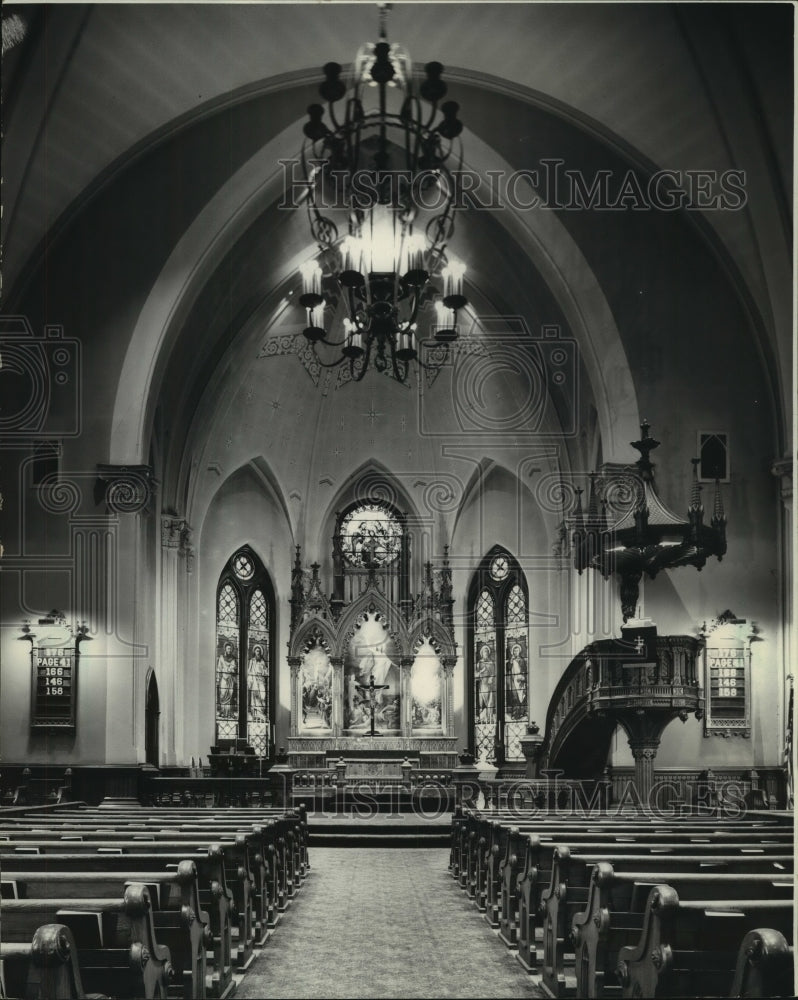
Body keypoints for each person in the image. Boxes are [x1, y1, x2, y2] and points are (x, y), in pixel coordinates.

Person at [216, 640, 238, 719]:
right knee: (223, 694)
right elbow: (219, 668)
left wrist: (231, 669)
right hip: (223, 679)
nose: (229, 650)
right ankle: (223, 712)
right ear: (225, 649)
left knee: (230, 695)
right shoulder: (221, 658)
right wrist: (218, 678)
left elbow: (234, 668)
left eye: (230, 649)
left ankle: (229, 713)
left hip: (230, 679)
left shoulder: (233, 659)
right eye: (228, 649)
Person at [247, 643, 268, 720]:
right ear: (254, 652)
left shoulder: (262, 661)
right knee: (255, 698)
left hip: (261, 680)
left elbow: (266, 672)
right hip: (255, 680)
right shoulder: (252, 661)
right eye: (256, 651)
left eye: (259, 651)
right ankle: (255, 714)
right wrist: (250, 679)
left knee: (262, 696)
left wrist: (263, 671)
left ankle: (261, 713)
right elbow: (249, 671)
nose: (258, 653)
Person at [507, 641, 527, 718]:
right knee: (514, 696)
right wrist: (511, 662)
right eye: (514, 651)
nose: (516, 652)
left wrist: (522, 678)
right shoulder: (511, 660)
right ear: (513, 652)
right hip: (513, 680)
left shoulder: (522, 660)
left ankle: (522, 712)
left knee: (521, 696)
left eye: (517, 650)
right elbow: (508, 668)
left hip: (520, 680)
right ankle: (515, 712)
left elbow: (524, 670)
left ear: (519, 651)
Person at [476, 643, 495, 724]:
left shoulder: (491, 663)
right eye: (484, 652)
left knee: (490, 701)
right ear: (482, 653)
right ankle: (481, 718)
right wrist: (481, 671)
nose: (486, 653)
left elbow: (493, 673)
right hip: (482, 684)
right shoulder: (479, 663)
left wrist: (491, 678)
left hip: (489, 684)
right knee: (481, 701)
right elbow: (476, 674)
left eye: (487, 652)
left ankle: (489, 718)